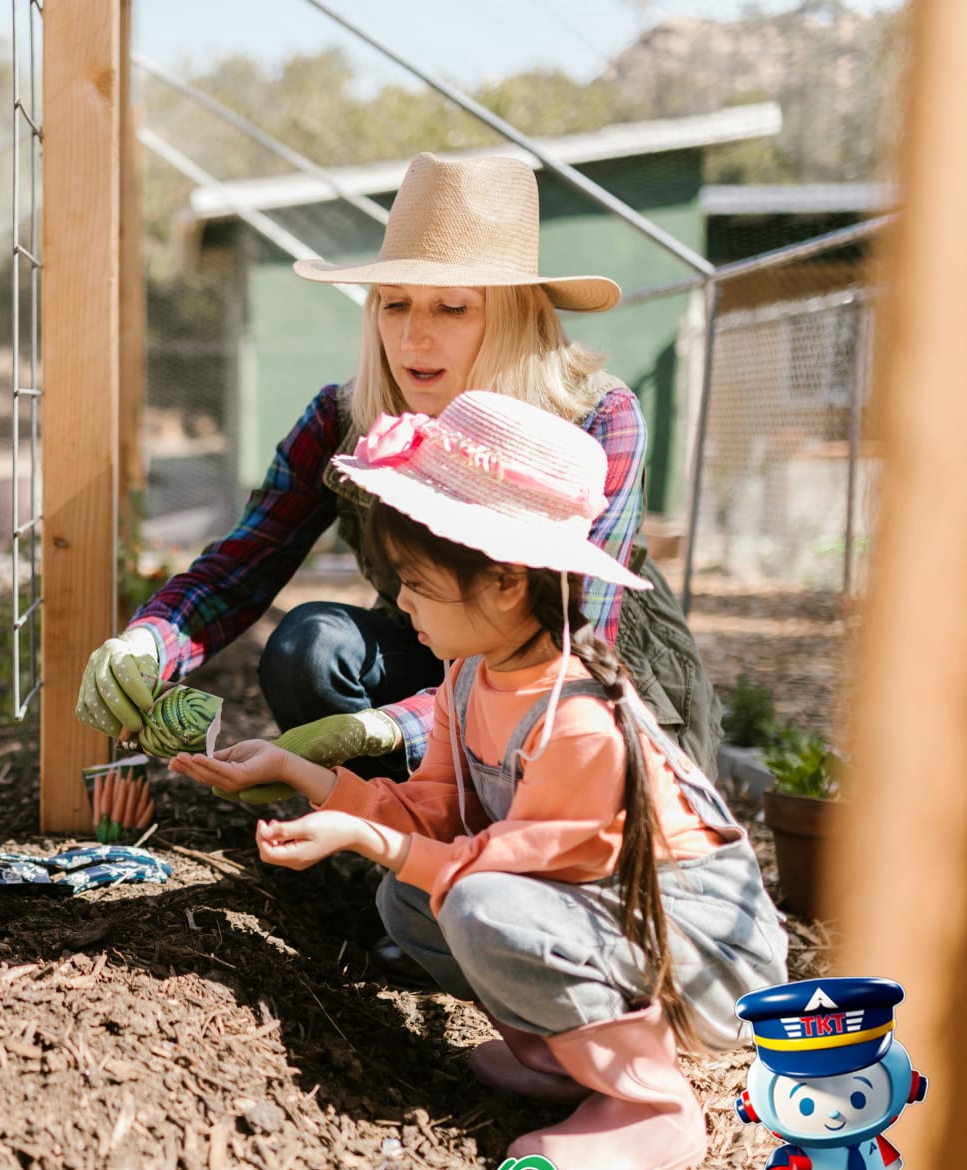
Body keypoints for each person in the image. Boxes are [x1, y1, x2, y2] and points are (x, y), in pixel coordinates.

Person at [172, 390, 785, 1170]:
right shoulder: (472, 678)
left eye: (417, 585)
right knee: (410, 902)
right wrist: (300, 771)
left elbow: (501, 864)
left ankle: (652, 1107)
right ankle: (564, 1059)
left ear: (502, 583)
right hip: (609, 925)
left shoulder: (581, 722)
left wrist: (366, 837)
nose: (400, 604)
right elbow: (436, 815)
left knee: (476, 901)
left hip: (704, 955)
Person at [76, 152, 719, 787]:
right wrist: (149, 643)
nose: (414, 338)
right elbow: (240, 568)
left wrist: (387, 729)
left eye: (452, 307)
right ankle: (373, 838)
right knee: (310, 645)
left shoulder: (600, 419)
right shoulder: (342, 418)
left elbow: (572, 648)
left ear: (516, 312)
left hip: (576, 694)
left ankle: (441, 839)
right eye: (394, 303)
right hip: (433, 651)